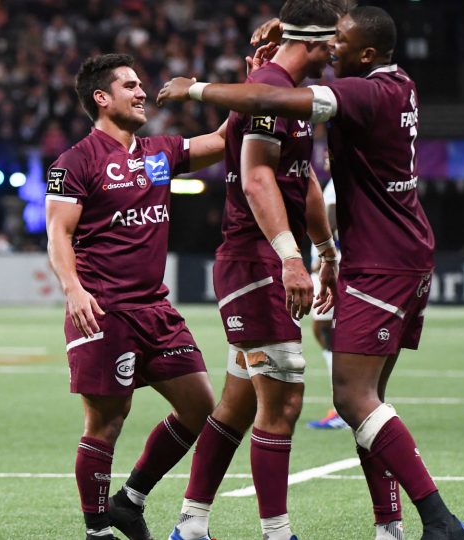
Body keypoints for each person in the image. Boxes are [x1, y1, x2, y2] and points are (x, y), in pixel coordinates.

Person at [157, 6, 464, 540]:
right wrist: (321, 253)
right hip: (375, 256)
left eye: (340, 43)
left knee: (352, 398)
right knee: (342, 400)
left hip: (380, 261)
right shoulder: (396, 84)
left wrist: (195, 88)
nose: (333, 49)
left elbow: (273, 105)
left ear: (365, 53)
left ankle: (438, 523)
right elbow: (274, 161)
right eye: (327, 41)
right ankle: (385, 528)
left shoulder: (357, 93)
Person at [169, 2, 339, 540]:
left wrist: (326, 251)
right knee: (285, 400)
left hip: (262, 257)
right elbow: (257, 178)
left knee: (238, 406)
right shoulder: (268, 92)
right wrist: (293, 258)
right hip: (256, 259)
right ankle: (277, 533)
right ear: (311, 43)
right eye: (331, 45)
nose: (336, 55)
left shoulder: (280, 92)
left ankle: (191, 525)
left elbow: (301, 178)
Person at [46, 53, 227, 540]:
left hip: (155, 308)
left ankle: (131, 499)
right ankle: (97, 529)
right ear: (102, 99)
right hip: (104, 311)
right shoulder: (74, 162)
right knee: (107, 420)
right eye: (130, 85)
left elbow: (226, 141)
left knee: (200, 408)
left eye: (141, 84)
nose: (142, 91)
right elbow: (58, 234)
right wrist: (74, 289)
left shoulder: (158, 153)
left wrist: (257, 80)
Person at [305, 173, 348, 430]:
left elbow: (331, 220)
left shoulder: (334, 185)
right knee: (324, 330)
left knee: (328, 330)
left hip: (329, 262)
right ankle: (345, 403)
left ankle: (343, 407)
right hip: (332, 260)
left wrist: (326, 256)